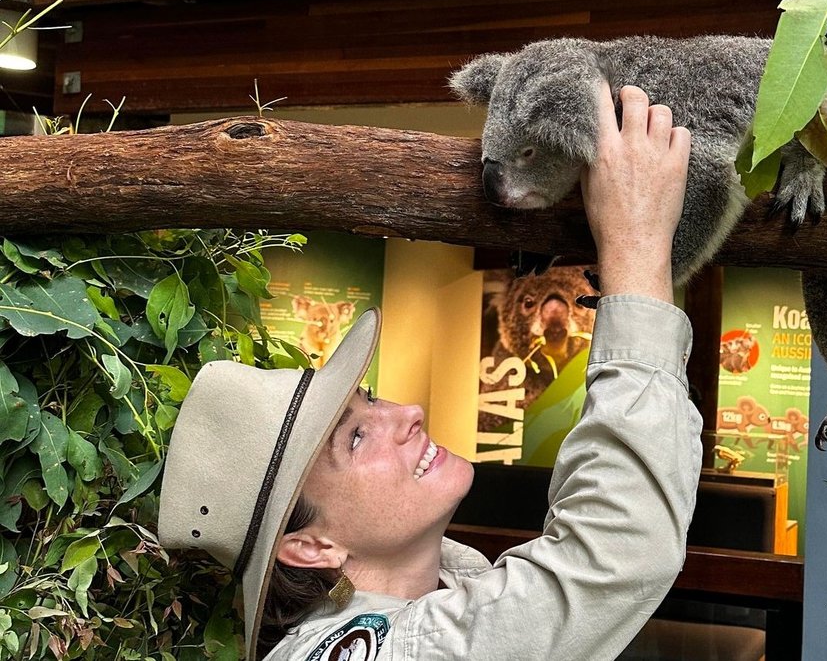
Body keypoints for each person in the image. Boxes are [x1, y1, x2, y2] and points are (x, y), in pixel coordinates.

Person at [157, 83, 701, 661]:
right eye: (356, 437)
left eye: (370, 401)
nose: (408, 414)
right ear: (311, 546)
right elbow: (613, 552)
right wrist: (636, 243)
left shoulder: (445, 600)